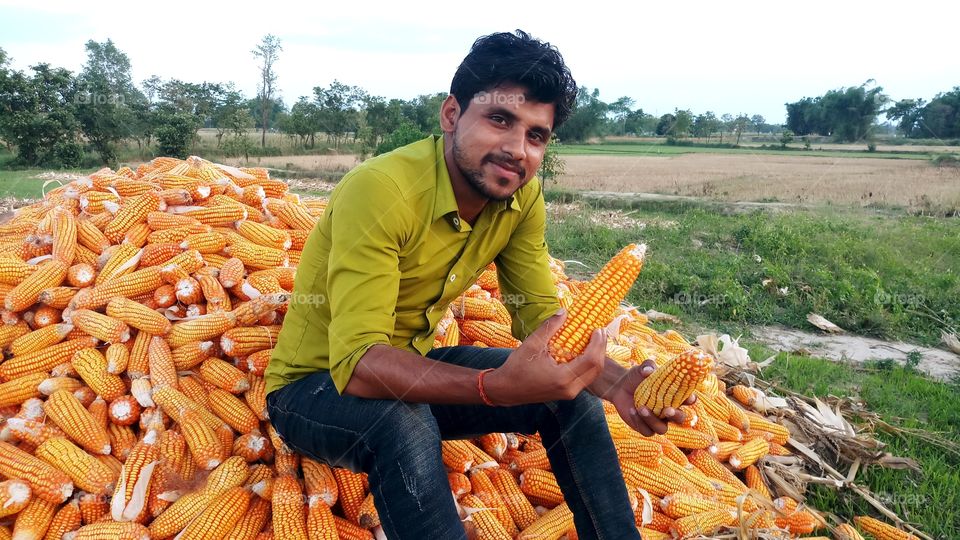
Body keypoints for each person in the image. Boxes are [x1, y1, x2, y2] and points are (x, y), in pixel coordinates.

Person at [265, 30, 687, 540]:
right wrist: (494, 387)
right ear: (451, 115)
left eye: (536, 135)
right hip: (314, 387)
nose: (517, 150)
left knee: (568, 393)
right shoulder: (381, 191)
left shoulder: (522, 198)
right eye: (500, 120)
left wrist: (616, 381)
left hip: (409, 366)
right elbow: (357, 365)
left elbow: (539, 316)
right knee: (402, 423)